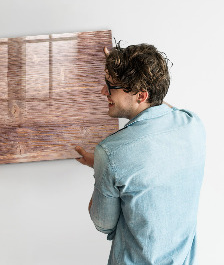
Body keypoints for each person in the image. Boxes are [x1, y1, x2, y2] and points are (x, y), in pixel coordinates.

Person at [75, 43, 206, 264]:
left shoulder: (110, 152)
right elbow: (159, 106)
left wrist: (101, 168)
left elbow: (103, 224)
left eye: (111, 85)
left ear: (141, 95)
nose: (103, 91)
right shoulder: (193, 124)